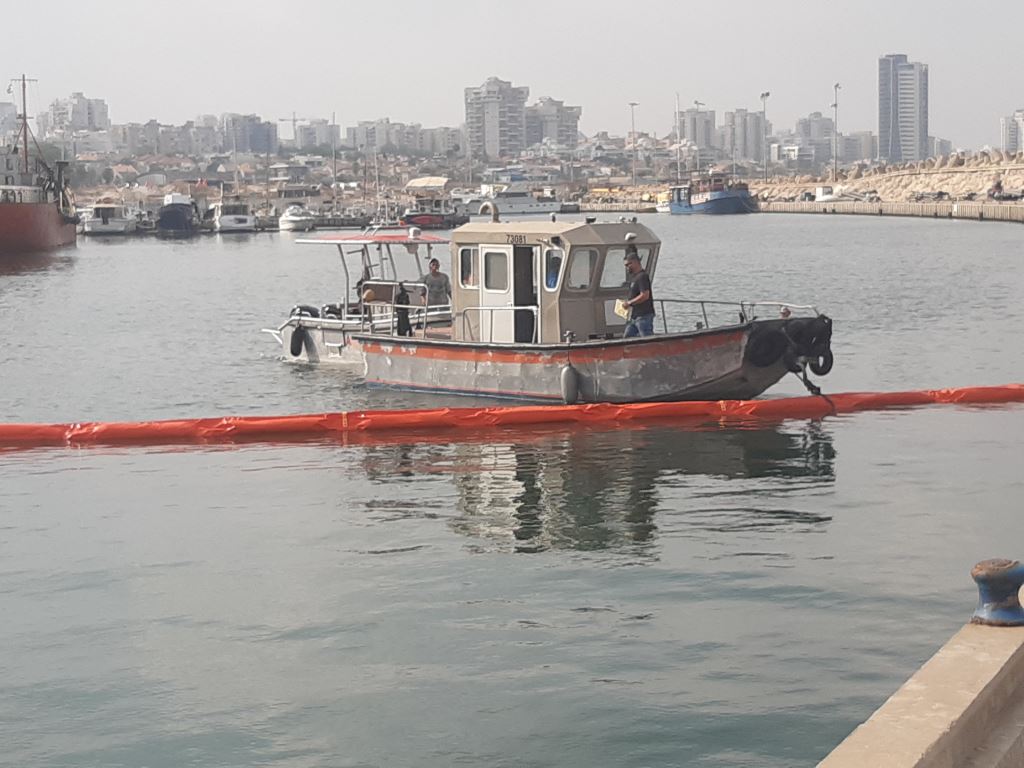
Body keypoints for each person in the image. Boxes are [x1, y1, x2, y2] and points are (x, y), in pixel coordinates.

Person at [622, 248, 655, 338]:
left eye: (628, 264)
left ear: (636, 262)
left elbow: (645, 295)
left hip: (644, 315)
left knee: (646, 338)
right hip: (634, 316)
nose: (627, 267)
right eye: (626, 265)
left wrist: (629, 303)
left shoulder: (642, 277)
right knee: (627, 337)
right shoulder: (634, 278)